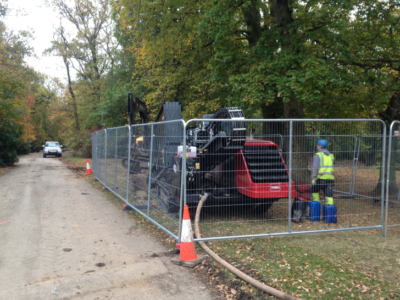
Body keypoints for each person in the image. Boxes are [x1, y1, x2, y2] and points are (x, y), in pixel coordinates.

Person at [311, 139, 334, 205]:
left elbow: (315, 168)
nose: (317, 147)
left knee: (314, 191)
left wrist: (314, 178)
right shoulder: (331, 155)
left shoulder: (318, 155)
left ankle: (316, 207)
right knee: (329, 195)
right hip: (330, 178)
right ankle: (329, 211)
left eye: (317, 146)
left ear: (320, 146)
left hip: (321, 178)